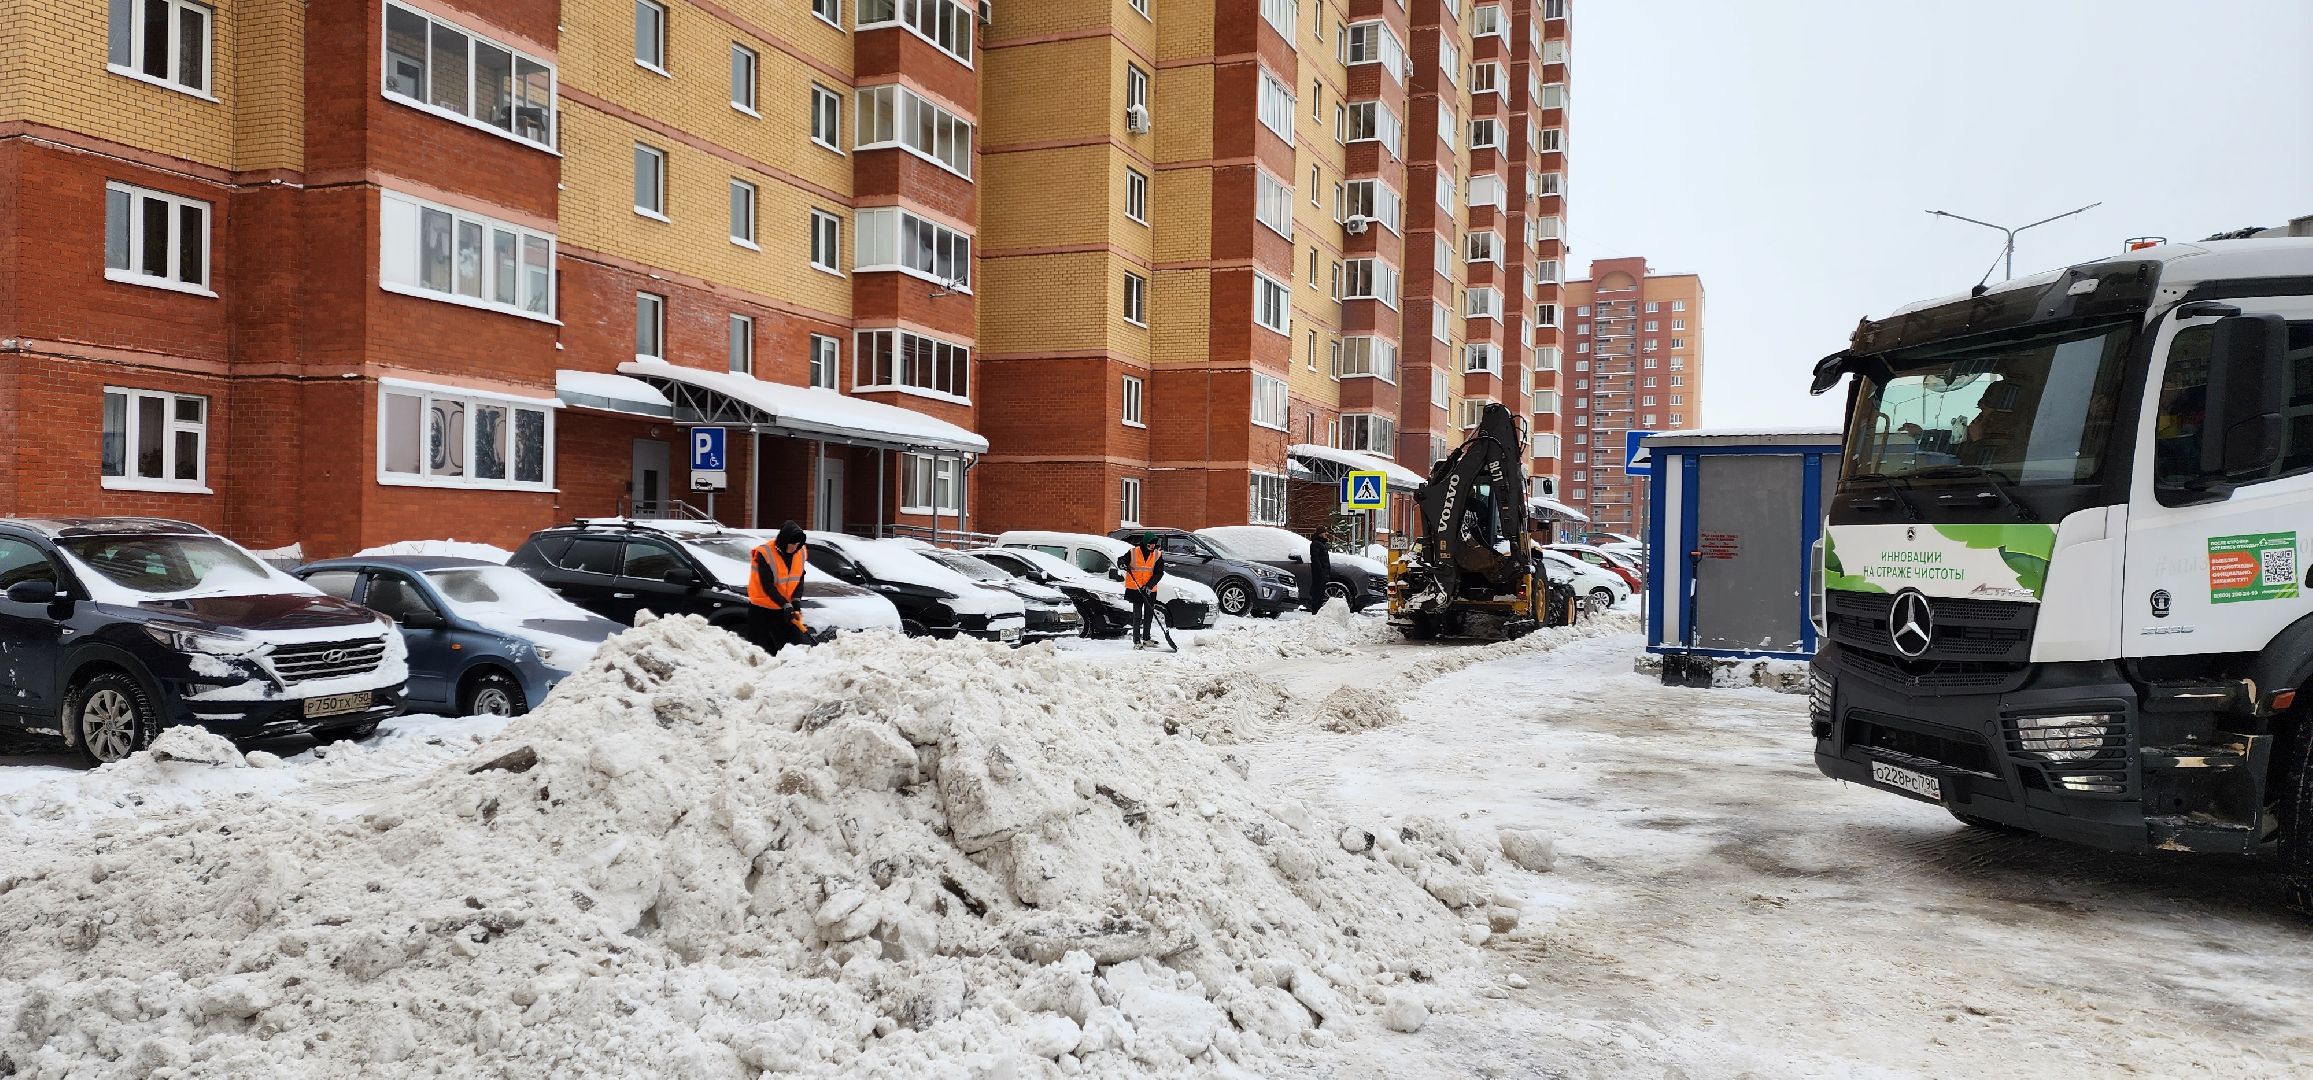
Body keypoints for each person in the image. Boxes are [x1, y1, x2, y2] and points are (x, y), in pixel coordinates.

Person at [747, 521, 811, 656]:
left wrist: (796, 601)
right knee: (760, 651)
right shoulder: (765, 553)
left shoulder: (800, 551)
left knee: (794, 648)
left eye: (798, 544)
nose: (795, 547)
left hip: (783, 609)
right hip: (761, 608)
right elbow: (767, 585)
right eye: (792, 544)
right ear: (783, 541)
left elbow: (799, 578)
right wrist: (785, 604)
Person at [1123, 532, 1165, 649]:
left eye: (1154, 544)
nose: (1153, 546)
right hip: (1135, 588)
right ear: (1146, 542)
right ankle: (1136, 640)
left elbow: (1159, 573)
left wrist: (1149, 586)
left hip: (1149, 590)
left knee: (1149, 614)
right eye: (1151, 543)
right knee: (1137, 615)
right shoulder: (1133, 552)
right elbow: (1123, 559)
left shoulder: (1157, 555)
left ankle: (1146, 638)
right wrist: (1122, 563)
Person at [1306, 525, 1334, 612]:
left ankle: (1317, 611)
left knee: (1321, 593)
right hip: (1319, 574)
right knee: (1317, 593)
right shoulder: (1316, 544)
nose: (1326, 534)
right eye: (1324, 532)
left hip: (1323, 573)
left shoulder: (1321, 544)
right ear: (1320, 533)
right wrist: (1321, 571)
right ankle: (1315, 611)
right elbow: (1315, 559)